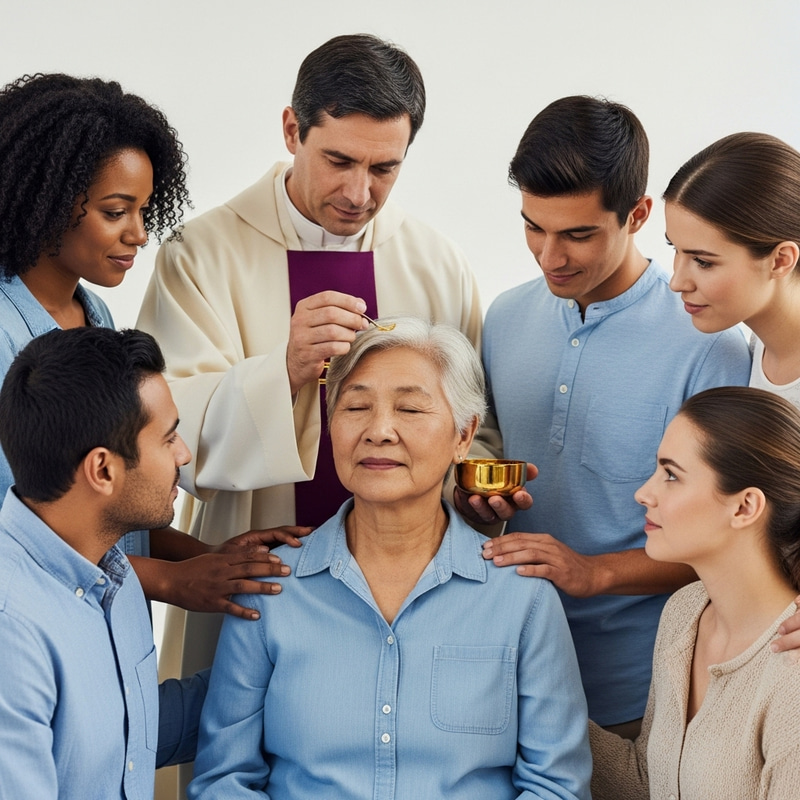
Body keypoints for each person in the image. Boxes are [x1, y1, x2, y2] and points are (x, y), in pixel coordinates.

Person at [136, 34, 498, 682]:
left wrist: (480, 482)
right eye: (339, 160)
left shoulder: (435, 261)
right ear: (291, 130)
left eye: (384, 168)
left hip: (410, 586)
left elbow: (475, 424)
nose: (360, 192)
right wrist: (285, 371)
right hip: (261, 579)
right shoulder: (202, 253)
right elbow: (166, 431)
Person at [188, 317, 591, 800]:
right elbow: (222, 781)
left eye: (411, 409)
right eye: (356, 406)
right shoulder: (271, 588)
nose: (379, 431)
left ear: (464, 435)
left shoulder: (522, 598)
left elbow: (556, 787)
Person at [480, 96, 752, 734]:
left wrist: (594, 572)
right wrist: (477, 497)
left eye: (577, 234)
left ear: (638, 215)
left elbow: (730, 541)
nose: (549, 257)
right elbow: (485, 450)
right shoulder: (502, 317)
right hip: (508, 669)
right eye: (533, 227)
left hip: (647, 689)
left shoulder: (709, 344)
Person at [0, 72, 308, 619]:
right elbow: (22, 533)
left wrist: (212, 558)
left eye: (143, 210)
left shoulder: (95, 317)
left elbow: (105, 508)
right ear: (43, 200)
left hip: (113, 631)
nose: (140, 233)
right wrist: (169, 580)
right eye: (115, 212)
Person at [0, 326, 208, 799]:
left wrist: (284, 668)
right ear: (103, 470)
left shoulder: (111, 573)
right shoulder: (10, 634)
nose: (185, 455)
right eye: (168, 438)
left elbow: (128, 734)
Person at [590, 386, 800, 799]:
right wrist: (535, 704)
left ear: (744, 507)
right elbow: (648, 781)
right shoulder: (684, 613)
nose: (643, 493)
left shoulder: (792, 670)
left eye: (671, 475)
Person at [662, 131, 800, 662]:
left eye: (704, 261)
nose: (677, 281)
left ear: (781, 258)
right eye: (674, 252)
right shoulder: (747, 357)